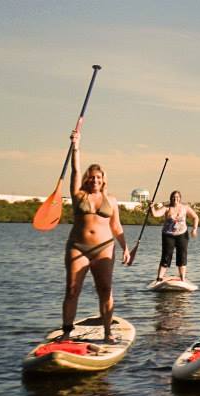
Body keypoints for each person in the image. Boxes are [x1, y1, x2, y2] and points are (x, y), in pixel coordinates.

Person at [61, 126, 130, 343]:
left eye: (98, 178)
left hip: (103, 248)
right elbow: (74, 170)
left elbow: (117, 227)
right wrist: (76, 147)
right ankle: (66, 332)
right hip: (78, 247)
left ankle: (108, 333)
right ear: (87, 179)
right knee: (72, 290)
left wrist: (125, 248)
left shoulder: (112, 200)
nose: (95, 181)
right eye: (91, 177)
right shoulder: (78, 195)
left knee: (105, 290)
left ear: (103, 179)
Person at [149, 190, 199, 282]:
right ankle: (159, 278)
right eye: (173, 197)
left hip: (182, 234)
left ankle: (182, 278)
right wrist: (152, 208)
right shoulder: (167, 208)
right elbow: (155, 214)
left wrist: (194, 229)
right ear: (171, 198)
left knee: (182, 256)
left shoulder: (185, 207)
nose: (175, 199)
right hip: (168, 235)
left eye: (177, 197)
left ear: (180, 198)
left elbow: (195, 217)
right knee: (166, 255)